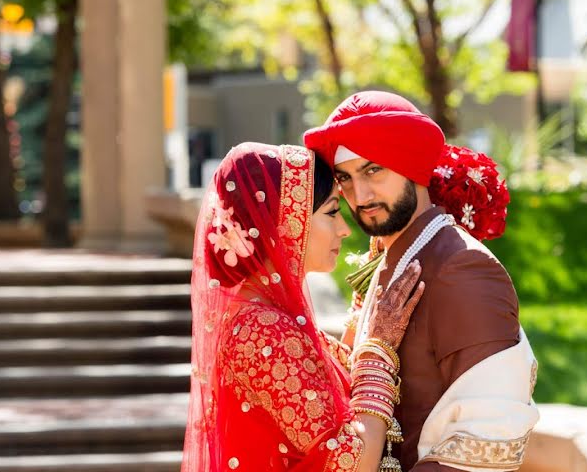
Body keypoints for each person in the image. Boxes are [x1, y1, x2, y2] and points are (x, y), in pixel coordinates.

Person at [304, 92, 539, 472]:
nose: (359, 196)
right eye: (345, 178)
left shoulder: (463, 268)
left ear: (412, 164)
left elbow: (489, 442)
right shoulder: (393, 259)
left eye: (373, 170)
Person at [181, 142, 426, 472]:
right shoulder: (262, 329)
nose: (343, 228)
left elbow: (329, 391)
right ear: (285, 221)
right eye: (331, 211)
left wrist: (365, 304)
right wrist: (380, 349)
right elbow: (352, 463)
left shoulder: (263, 314)